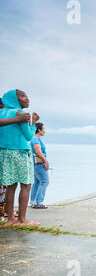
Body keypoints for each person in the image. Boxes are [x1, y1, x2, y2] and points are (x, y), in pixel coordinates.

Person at [0, 89, 40, 227]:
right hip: (20, 152)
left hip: (5, 153)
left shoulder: (1, 113)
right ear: (13, 99)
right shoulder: (21, 113)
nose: (27, 99)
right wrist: (34, 123)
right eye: (22, 96)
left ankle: (10, 219)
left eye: (27, 96)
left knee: (10, 186)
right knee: (26, 185)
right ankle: (22, 219)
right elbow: (29, 136)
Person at [30, 122, 50, 209]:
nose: (45, 131)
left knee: (37, 182)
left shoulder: (36, 139)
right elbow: (38, 152)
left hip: (36, 164)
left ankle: (33, 201)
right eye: (44, 129)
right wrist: (46, 161)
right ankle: (39, 202)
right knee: (45, 182)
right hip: (39, 164)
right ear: (39, 130)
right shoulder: (35, 139)